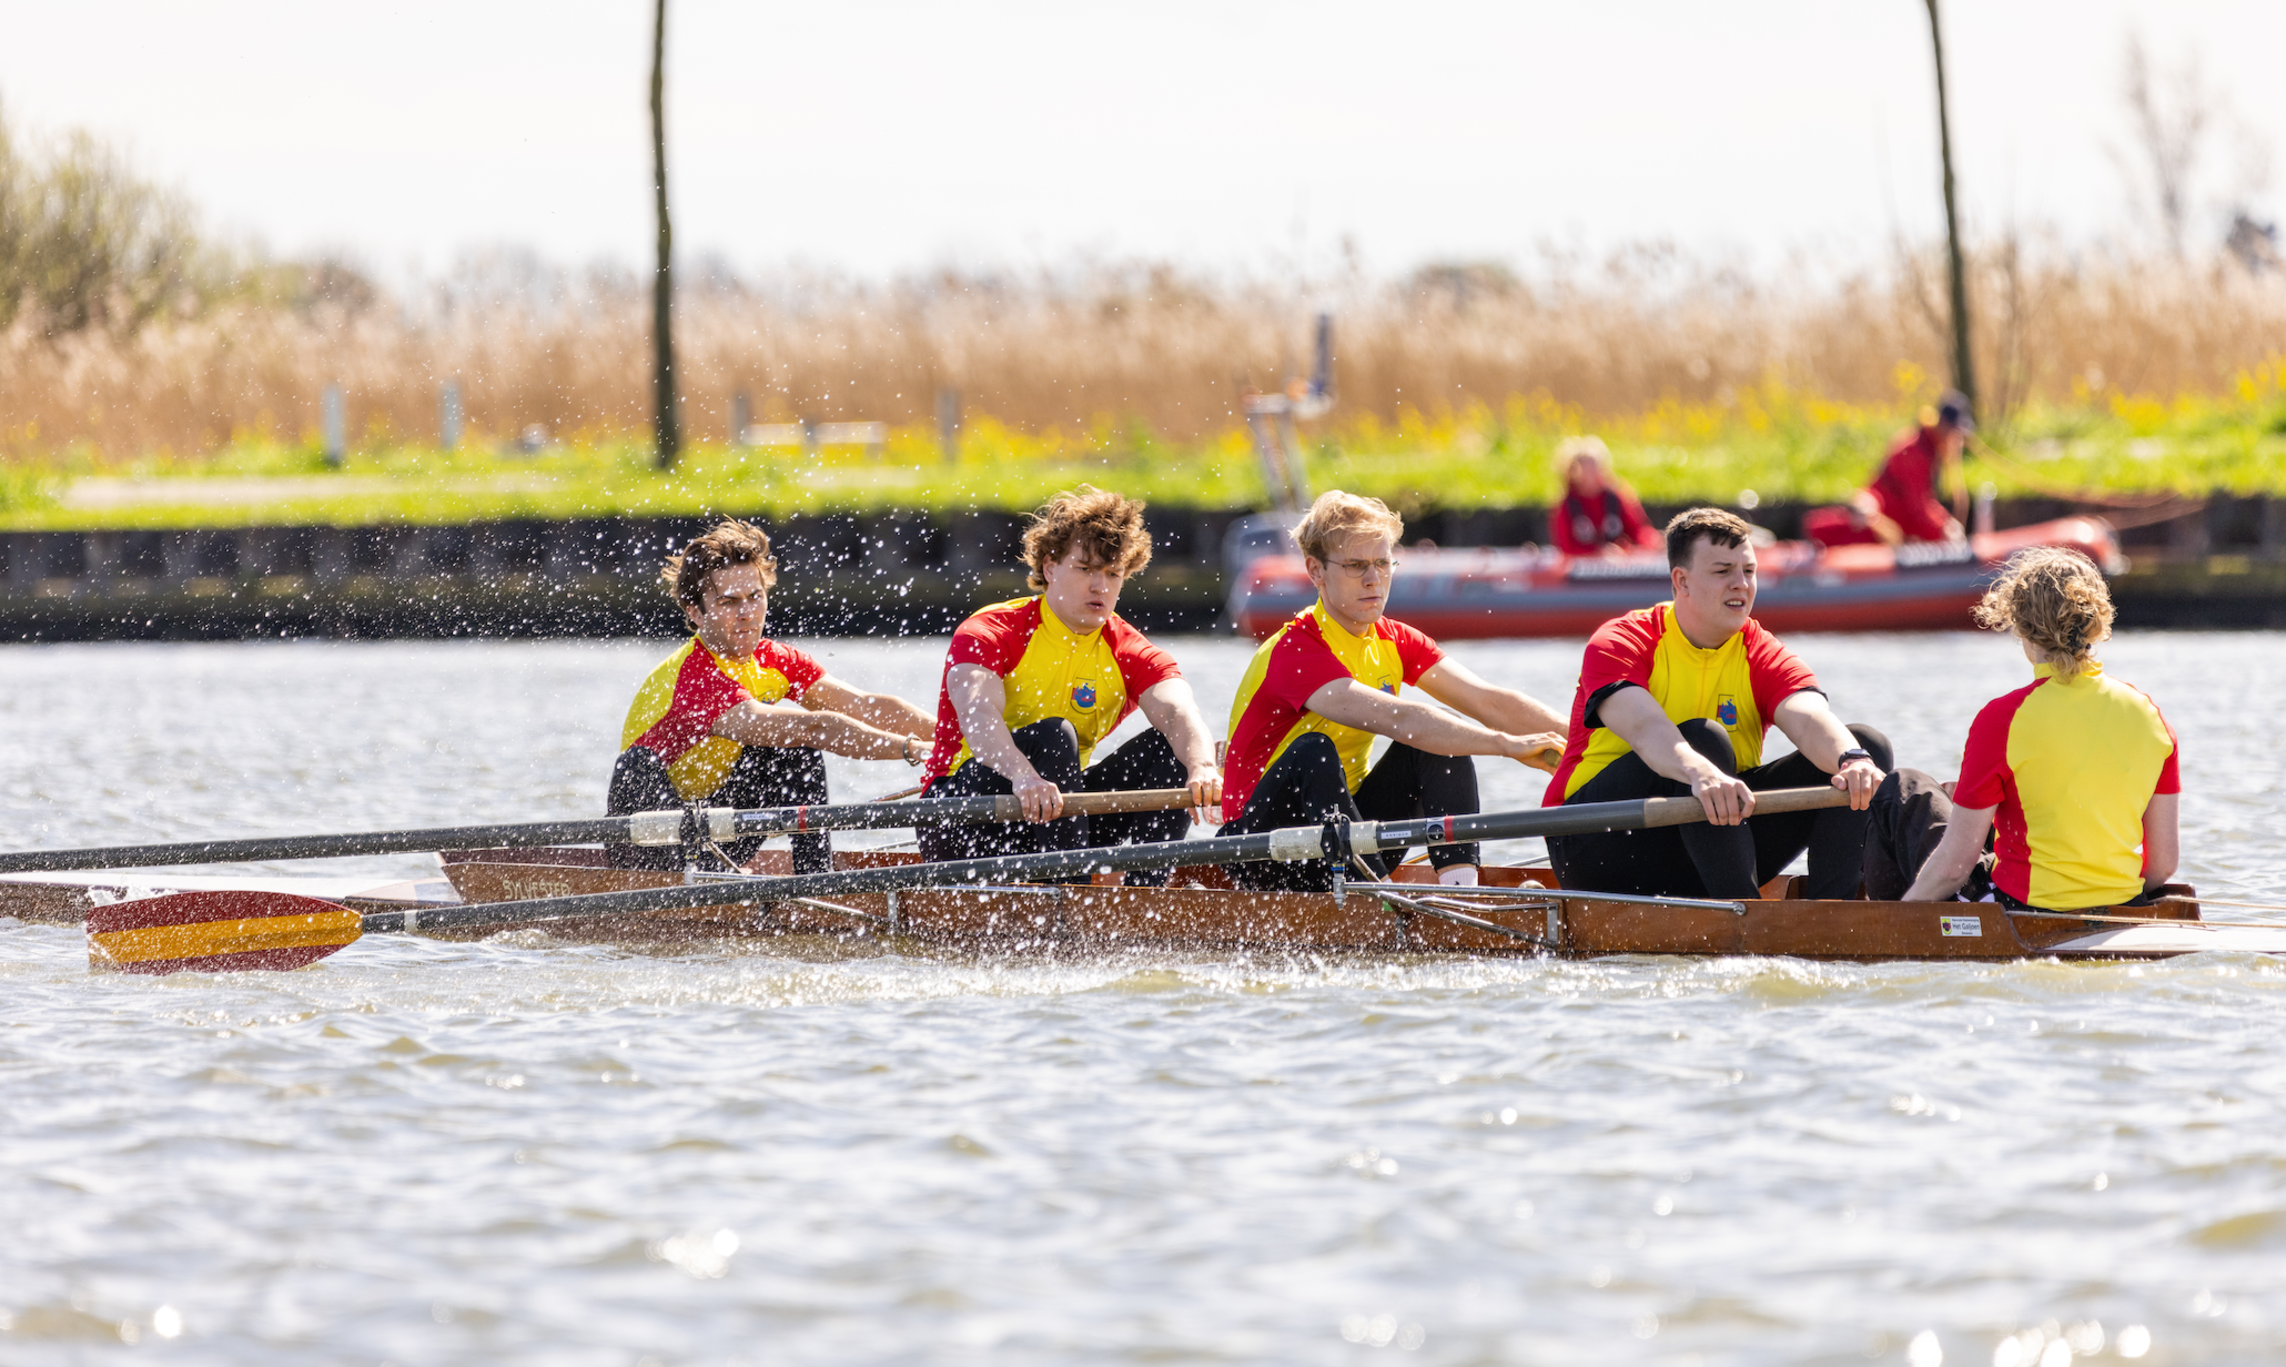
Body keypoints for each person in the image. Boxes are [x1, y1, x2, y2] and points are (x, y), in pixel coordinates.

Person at [1220, 491, 1568, 891]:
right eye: (1356, 566)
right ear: (1316, 571)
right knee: (1314, 750)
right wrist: (1505, 745)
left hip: (1345, 837)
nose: (1374, 579)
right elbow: (1398, 718)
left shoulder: (1395, 639)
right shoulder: (1296, 650)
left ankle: (1460, 891)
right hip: (1260, 850)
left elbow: (1489, 701)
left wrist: (1585, 742)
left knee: (1445, 736)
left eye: (1383, 563)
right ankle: (1380, 900)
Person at [1542, 507, 1890, 900]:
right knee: (1702, 739)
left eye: (1749, 571)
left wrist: (1852, 760)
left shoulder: (1760, 651)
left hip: (1713, 840)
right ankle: (1744, 916)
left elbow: (1809, 718)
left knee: (1865, 746)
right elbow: (1645, 728)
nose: (1741, 584)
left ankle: (1831, 916)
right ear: (1682, 581)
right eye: (1723, 571)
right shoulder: (1622, 640)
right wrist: (1700, 772)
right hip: (1597, 843)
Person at [917, 487, 1222, 883]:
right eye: (1085, 569)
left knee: (1171, 750)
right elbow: (978, 716)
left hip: (1055, 814)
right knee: (1054, 735)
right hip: (963, 817)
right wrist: (1023, 775)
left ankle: (1145, 897)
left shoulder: (1128, 649)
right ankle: (1073, 896)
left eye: (1112, 574)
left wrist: (1202, 768)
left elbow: (1179, 711)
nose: (1100, 587)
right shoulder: (991, 630)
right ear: (1050, 567)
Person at [607, 519, 937, 872]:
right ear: (695, 613)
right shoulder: (696, 676)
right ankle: (684, 879)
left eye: (755, 597)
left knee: (794, 754)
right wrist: (913, 750)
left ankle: (815, 880)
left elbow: (865, 706)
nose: (747, 614)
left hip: (714, 828)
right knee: (637, 764)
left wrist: (952, 738)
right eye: (729, 602)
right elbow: (815, 728)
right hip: (647, 840)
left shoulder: (774, 660)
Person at [1864, 547, 2179, 909]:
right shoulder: (2151, 717)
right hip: (2122, 906)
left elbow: (1954, 868)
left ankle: (1882, 928)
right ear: (2095, 623)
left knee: (1902, 788)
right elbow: (2162, 865)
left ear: (2023, 626)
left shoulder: (2002, 719)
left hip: (2022, 911)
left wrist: (1904, 916)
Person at [1804, 392, 1972, 548]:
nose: (1958, 440)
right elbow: (1918, 508)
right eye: (1955, 433)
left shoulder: (1931, 449)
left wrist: (1945, 523)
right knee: (1855, 526)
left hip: (1898, 518)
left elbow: (1923, 503)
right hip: (1881, 515)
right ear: (1943, 426)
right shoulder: (1915, 452)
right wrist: (1944, 528)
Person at [1548, 435, 1662, 557]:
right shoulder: (1567, 505)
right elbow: (1565, 548)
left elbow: (1637, 531)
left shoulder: (1615, 497)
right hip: (1582, 566)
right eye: (1589, 469)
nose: (1597, 473)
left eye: (1598, 467)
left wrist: (1652, 541)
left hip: (1617, 564)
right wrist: (1598, 552)